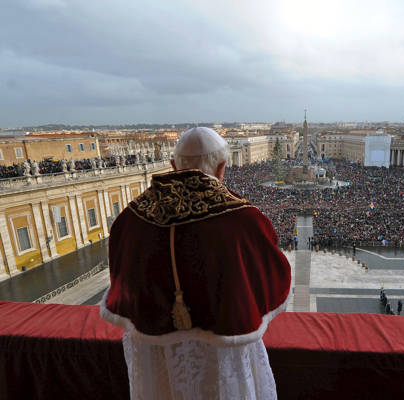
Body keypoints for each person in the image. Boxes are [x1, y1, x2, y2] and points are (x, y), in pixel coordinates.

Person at [101, 127, 292, 400]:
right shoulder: (244, 220)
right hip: (222, 354)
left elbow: (121, 286)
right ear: (222, 167)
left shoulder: (130, 220)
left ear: (173, 165)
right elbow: (274, 280)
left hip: (158, 356)